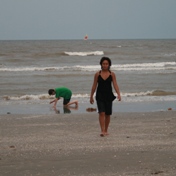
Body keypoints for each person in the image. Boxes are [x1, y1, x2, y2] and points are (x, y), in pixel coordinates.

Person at [90, 57, 121, 137]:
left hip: (108, 95)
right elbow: (94, 86)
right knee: (101, 113)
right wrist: (91, 96)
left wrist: (118, 94)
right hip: (99, 95)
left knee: (107, 114)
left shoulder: (112, 74)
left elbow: (115, 84)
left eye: (106, 64)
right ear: (101, 64)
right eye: (103, 64)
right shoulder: (97, 74)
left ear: (109, 65)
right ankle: (102, 130)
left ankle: (106, 130)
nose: (105, 65)